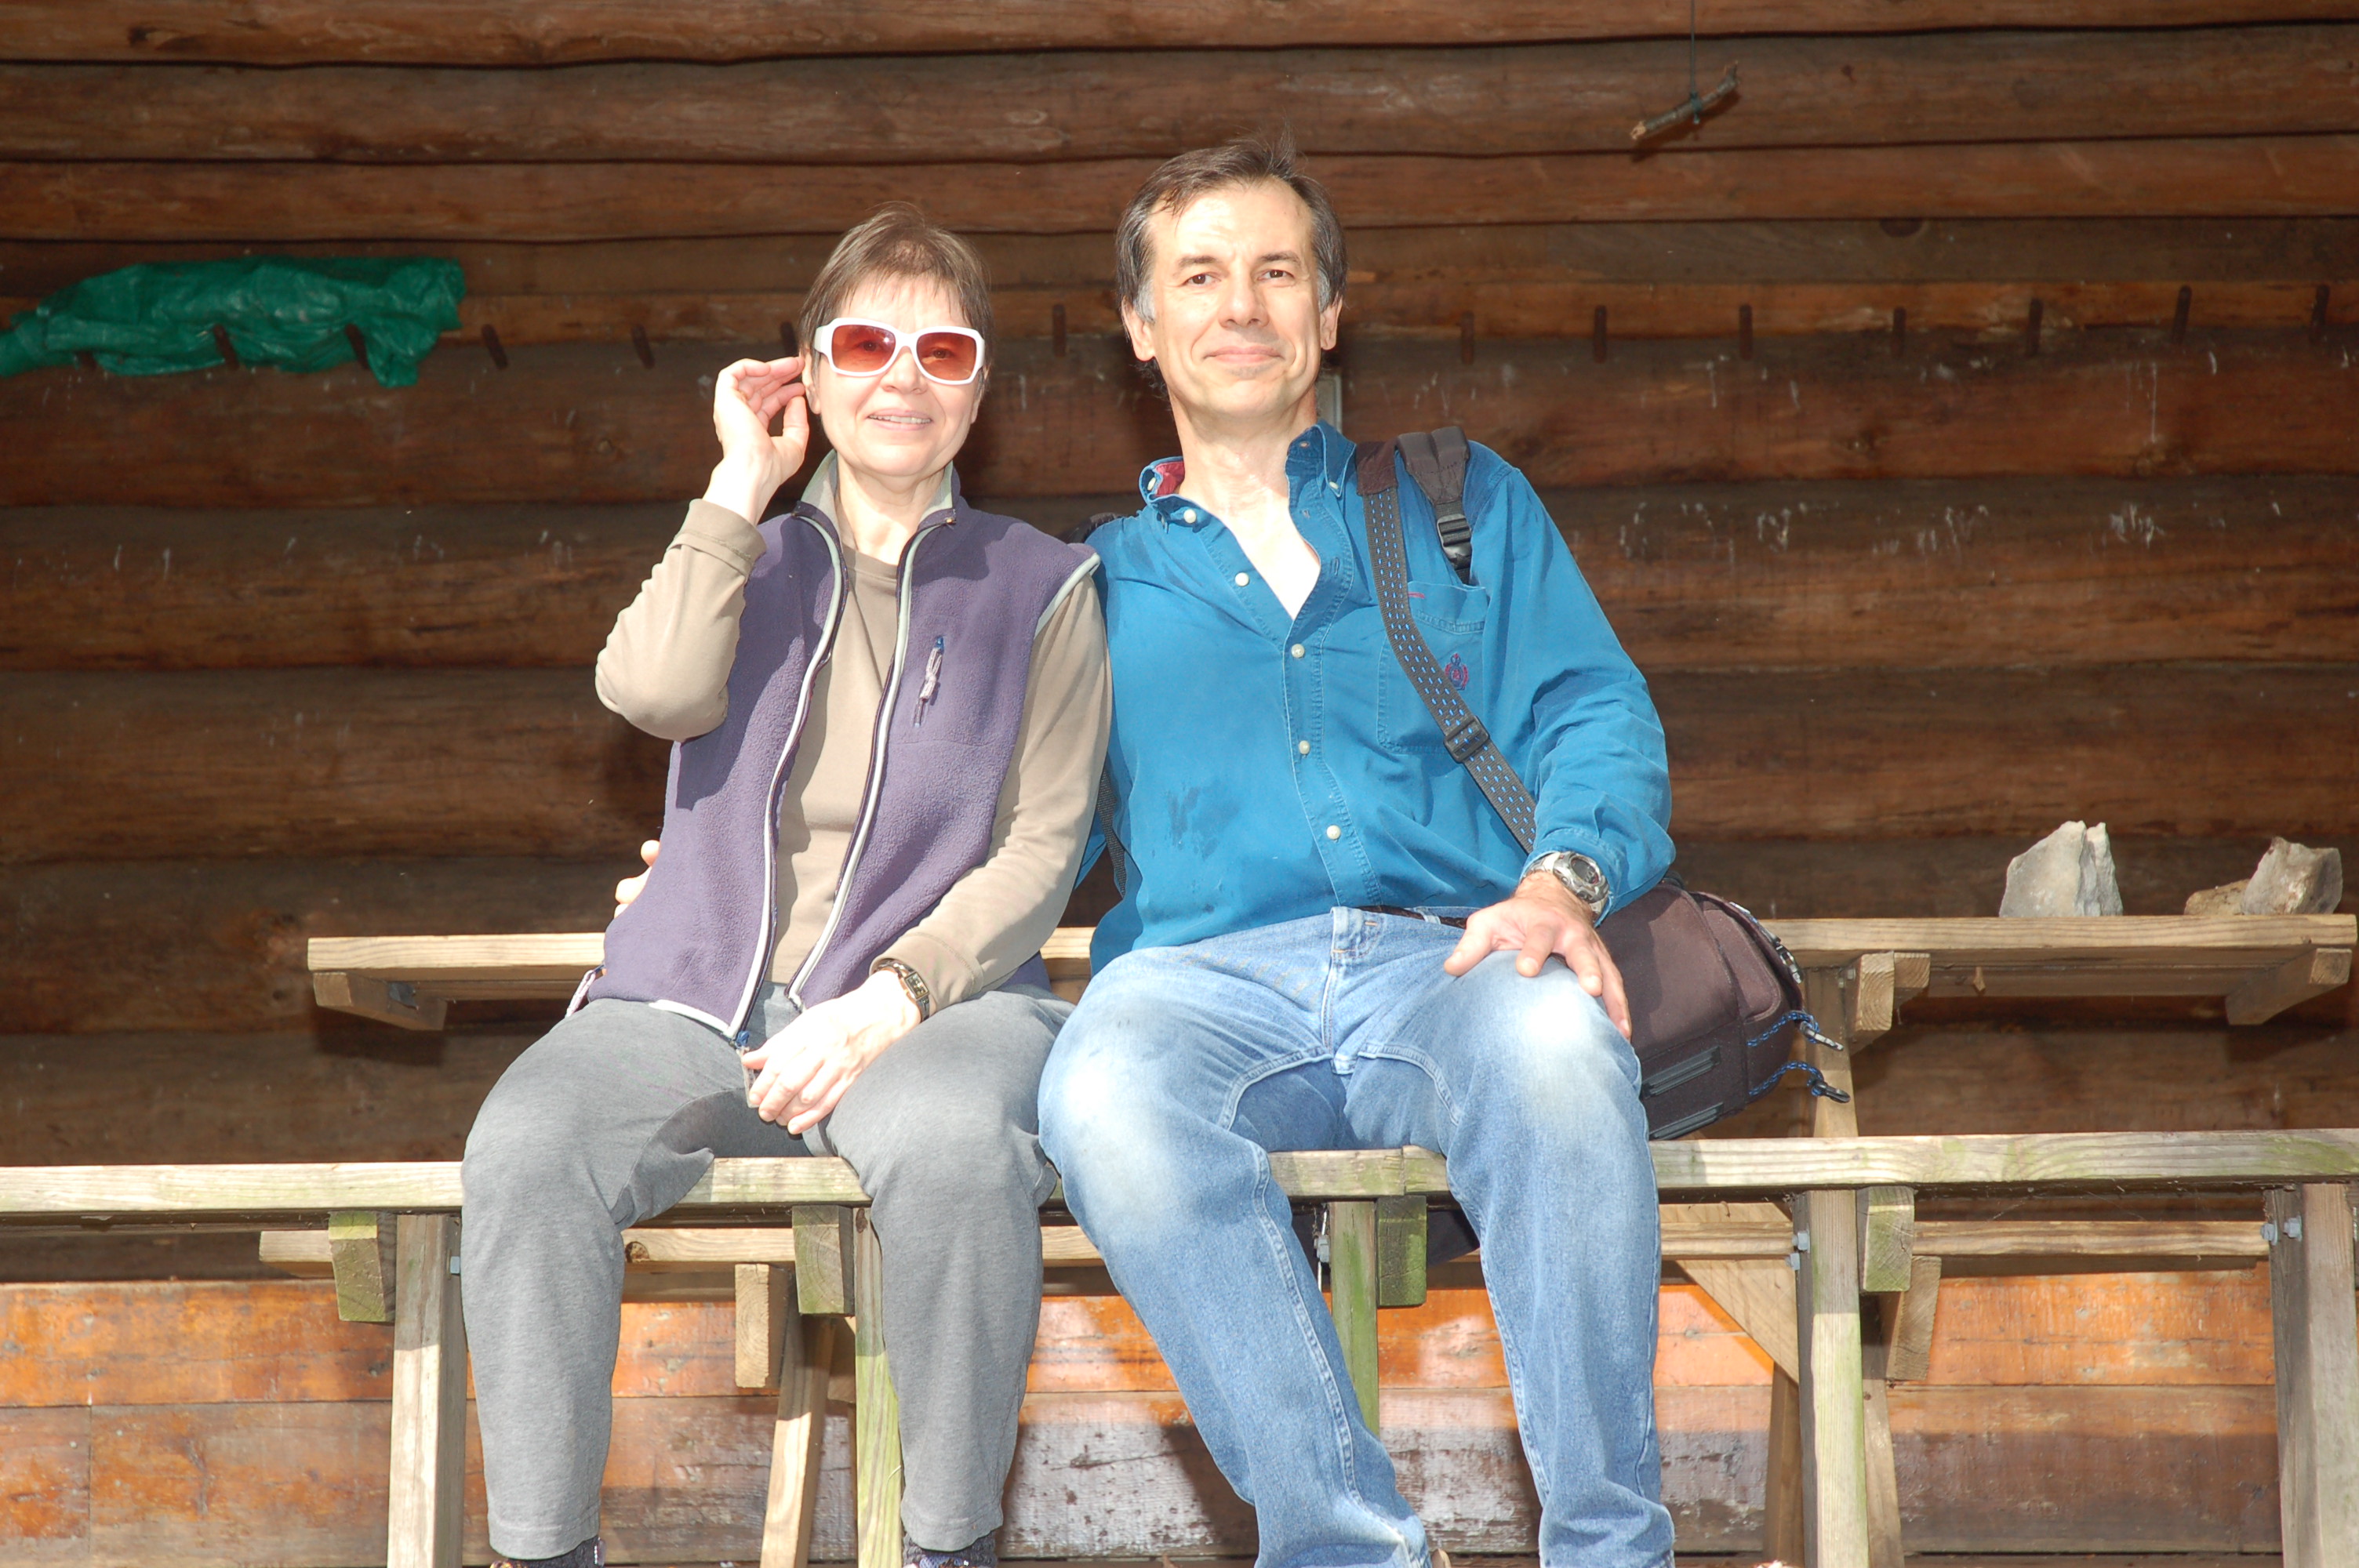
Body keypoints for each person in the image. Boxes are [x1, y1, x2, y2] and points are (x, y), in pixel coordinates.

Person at [1035, 139, 1677, 1568]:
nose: (1241, 305)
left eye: (1278, 272)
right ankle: (1348, 1547)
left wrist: (1561, 883)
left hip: (1454, 958)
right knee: (1101, 1094)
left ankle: (1611, 1548)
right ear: (1141, 325)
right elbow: (1001, 830)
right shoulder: (1090, 585)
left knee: (1558, 1053)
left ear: (1329, 313)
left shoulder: (1460, 501)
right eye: (1199, 276)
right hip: (1196, 985)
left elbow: (1596, 712)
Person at [462, 204, 1110, 1568]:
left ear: (978, 389)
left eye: (943, 351)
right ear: (808, 372)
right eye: (865, 344)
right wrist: (734, 485)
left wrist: (891, 999)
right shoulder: (741, 557)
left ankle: (947, 1545)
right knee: (527, 1146)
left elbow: (1043, 849)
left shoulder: (1043, 587)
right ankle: (544, 1550)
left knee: (954, 1147)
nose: (903, 377)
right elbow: (649, 692)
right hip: (694, 999)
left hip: (936, 1008)